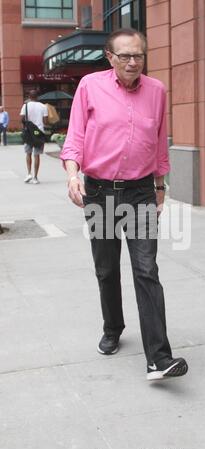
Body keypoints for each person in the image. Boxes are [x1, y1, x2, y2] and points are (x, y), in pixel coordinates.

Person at [61, 28, 188, 381]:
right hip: (100, 192)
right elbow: (75, 138)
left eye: (139, 56)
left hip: (141, 192)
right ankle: (113, 327)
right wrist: (73, 175)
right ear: (110, 57)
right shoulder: (90, 86)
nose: (133, 62)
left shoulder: (157, 91)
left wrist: (160, 186)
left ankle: (159, 359)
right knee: (107, 269)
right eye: (125, 56)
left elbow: (159, 142)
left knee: (146, 269)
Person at [20, 90, 48, 184]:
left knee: (28, 153)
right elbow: (45, 122)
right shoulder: (43, 106)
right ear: (37, 97)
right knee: (37, 155)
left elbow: (22, 119)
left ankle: (29, 174)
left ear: (29, 96)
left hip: (29, 133)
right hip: (39, 133)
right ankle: (35, 177)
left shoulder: (25, 106)